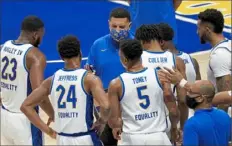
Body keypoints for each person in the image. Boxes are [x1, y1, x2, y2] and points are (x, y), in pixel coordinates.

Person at [20, 35, 111, 145]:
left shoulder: (51, 80)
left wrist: (48, 131)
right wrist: (102, 121)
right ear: (80, 53)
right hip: (85, 138)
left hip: (62, 139)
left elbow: (25, 106)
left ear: (61, 57)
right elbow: (106, 106)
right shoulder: (90, 79)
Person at [108, 39, 180, 145]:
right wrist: (174, 127)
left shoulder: (116, 84)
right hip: (158, 137)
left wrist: (115, 127)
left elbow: (114, 120)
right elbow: (173, 110)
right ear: (141, 54)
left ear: (125, 60)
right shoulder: (160, 76)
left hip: (133, 139)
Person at [0, 15, 54, 145]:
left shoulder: (3, 47)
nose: (41, 39)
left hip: (4, 116)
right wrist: (53, 115)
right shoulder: (35, 56)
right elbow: (39, 95)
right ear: (35, 35)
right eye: (42, 35)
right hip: (25, 121)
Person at [85, 7, 133, 145]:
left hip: (132, 103)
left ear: (129, 25)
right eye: (114, 26)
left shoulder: (137, 44)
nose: (117, 30)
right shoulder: (98, 45)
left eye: (122, 26)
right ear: (108, 24)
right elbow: (89, 74)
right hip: (105, 105)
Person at [135, 24, 188, 131]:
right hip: (171, 117)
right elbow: (183, 100)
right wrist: (182, 128)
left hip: (146, 120)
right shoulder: (177, 61)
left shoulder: (137, 60)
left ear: (142, 42)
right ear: (160, 40)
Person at [158, 68, 231, 145]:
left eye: (190, 92)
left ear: (200, 98)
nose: (187, 94)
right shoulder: (224, 115)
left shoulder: (192, 124)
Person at [157, 22, 201, 118]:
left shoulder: (163, 65)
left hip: (176, 114)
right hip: (194, 113)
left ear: (161, 42)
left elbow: (181, 99)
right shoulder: (192, 59)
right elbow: (199, 89)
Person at [197, 8, 231, 112]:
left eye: (199, 28)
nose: (197, 32)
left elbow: (225, 97)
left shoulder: (219, 54)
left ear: (207, 29)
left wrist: (220, 123)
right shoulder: (228, 45)